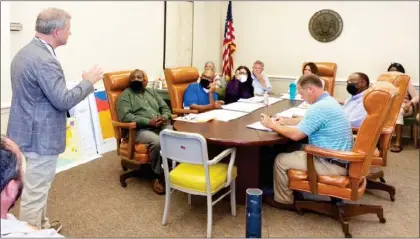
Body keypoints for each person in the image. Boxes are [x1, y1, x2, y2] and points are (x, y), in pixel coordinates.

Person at [6, 8, 104, 231]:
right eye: (68, 30)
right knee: (35, 193)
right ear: (57, 31)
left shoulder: (25, 53)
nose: (70, 34)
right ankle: (32, 233)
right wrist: (88, 82)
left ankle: (42, 227)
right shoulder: (44, 61)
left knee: (37, 188)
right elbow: (62, 100)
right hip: (40, 138)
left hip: (26, 133)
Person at [260, 74, 353, 210]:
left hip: (331, 162)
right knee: (291, 147)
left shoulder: (319, 107)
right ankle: (287, 186)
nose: (301, 97)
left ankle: (284, 201)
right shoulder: (329, 101)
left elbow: (297, 135)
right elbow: (308, 120)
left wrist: (271, 125)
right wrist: (286, 121)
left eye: (301, 93)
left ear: (310, 89)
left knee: (280, 159)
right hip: (338, 157)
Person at [116, 69, 172, 194]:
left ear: (144, 80)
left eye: (139, 77)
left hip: (159, 125)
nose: (136, 79)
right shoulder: (126, 96)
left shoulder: (152, 92)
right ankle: (156, 176)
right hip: (138, 130)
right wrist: (148, 122)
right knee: (157, 141)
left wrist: (164, 117)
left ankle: (171, 169)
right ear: (130, 80)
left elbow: (165, 108)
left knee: (173, 135)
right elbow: (125, 116)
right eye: (133, 77)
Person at [1, 135, 64, 237]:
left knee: (40, 188)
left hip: (35, 133)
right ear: (10, 189)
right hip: (42, 135)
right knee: (35, 191)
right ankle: (38, 227)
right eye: (21, 166)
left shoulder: (9, 219)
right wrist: (35, 233)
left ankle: (42, 225)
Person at [387, 62, 419, 152]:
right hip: (390, 107)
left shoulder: (406, 81)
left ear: (401, 73)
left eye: (396, 72)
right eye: (390, 72)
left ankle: (398, 143)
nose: (393, 74)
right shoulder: (386, 81)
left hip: (405, 106)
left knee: (398, 113)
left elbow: (416, 96)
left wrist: (409, 104)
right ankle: (377, 142)